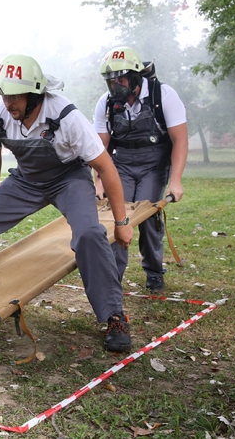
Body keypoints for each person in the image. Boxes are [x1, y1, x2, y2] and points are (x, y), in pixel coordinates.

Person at [0, 54, 134, 353]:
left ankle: (114, 316)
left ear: (35, 93)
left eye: (14, 96)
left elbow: (106, 168)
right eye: (3, 95)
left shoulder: (66, 116)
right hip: (26, 179)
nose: (7, 102)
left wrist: (122, 223)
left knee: (89, 235)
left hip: (69, 178)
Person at [93, 46, 188, 293]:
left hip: (154, 166)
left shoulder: (163, 96)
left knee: (147, 217)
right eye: (110, 81)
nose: (115, 86)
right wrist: (99, 181)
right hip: (120, 165)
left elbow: (180, 140)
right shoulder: (104, 104)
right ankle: (114, 278)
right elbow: (99, 148)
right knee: (118, 216)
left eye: (121, 79)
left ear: (136, 77)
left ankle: (154, 272)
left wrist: (175, 180)